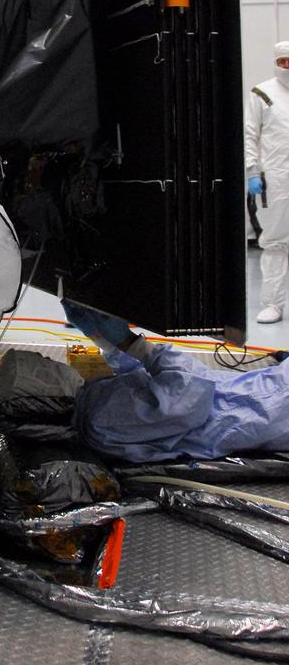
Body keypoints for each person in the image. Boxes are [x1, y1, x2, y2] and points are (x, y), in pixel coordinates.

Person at [62, 300, 289, 462]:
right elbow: (188, 393)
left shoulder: (93, 405)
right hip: (272, 405)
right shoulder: (101, 421)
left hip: (260, 391)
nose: (48, 363)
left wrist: (103, 339)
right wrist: (131, 343)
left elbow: (138, 381)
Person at [246, 40, 289, 324]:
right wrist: (251, 171)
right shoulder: (263, 93)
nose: (287, 66)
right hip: (277, 179)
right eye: (282, 61)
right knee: (275, 241)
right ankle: (273, 303)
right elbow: (250, 134)